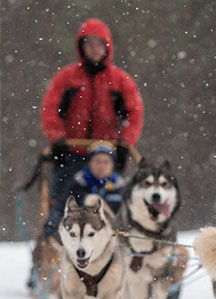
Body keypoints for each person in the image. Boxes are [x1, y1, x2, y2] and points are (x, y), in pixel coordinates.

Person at [41, 18, 143, 203]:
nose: (94, 48)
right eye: (89, 43)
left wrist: (125, 143)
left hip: (107, 154)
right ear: (82, 46)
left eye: (99, 43)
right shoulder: (66, 78)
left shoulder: (120, 80)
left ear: (107, 46)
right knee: (63, 200)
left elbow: (134, 113)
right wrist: (57, 139)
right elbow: (50, 110)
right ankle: (54, 229)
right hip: (71, 152)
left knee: (114, 203)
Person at [43, 141, 126, 239]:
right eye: (98, 161)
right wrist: (51, 226)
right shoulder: (76, 185)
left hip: (113, 236)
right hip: (80, 237)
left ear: (112, 165)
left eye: (106, 162)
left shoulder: (122, 188)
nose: (101, 166)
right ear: (90, 163)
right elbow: (60, 208)